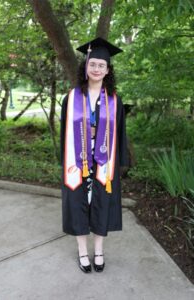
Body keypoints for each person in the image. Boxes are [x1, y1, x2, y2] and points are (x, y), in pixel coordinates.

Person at [60, 37, 128, 273]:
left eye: (102, 65)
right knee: (78, 203)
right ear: (85, 67)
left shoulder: (114, 101)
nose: (97, 69)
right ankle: (82, 251)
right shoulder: (71, 98)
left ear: (108, 70)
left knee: (101, 203)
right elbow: (64, 133)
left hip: (104, 161)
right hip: (77, 161)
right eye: (93, 64)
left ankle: (98, 250)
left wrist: (121, 162)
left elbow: (120, 134)